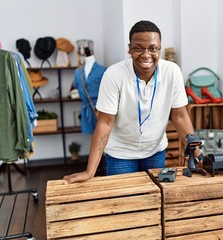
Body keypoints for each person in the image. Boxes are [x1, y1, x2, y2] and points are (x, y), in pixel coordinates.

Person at [64, 20, 201, 184]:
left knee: (153, 201)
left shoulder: (172, 72)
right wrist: (89, 171)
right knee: (124, 204)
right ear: (129, 49)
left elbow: (179, 116)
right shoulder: (113, 75)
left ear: (159, 48)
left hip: (155, 151)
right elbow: (105, 123)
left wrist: (197, 153)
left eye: (152, 48)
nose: (146, 54)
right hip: (120, 154)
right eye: (138, 48)